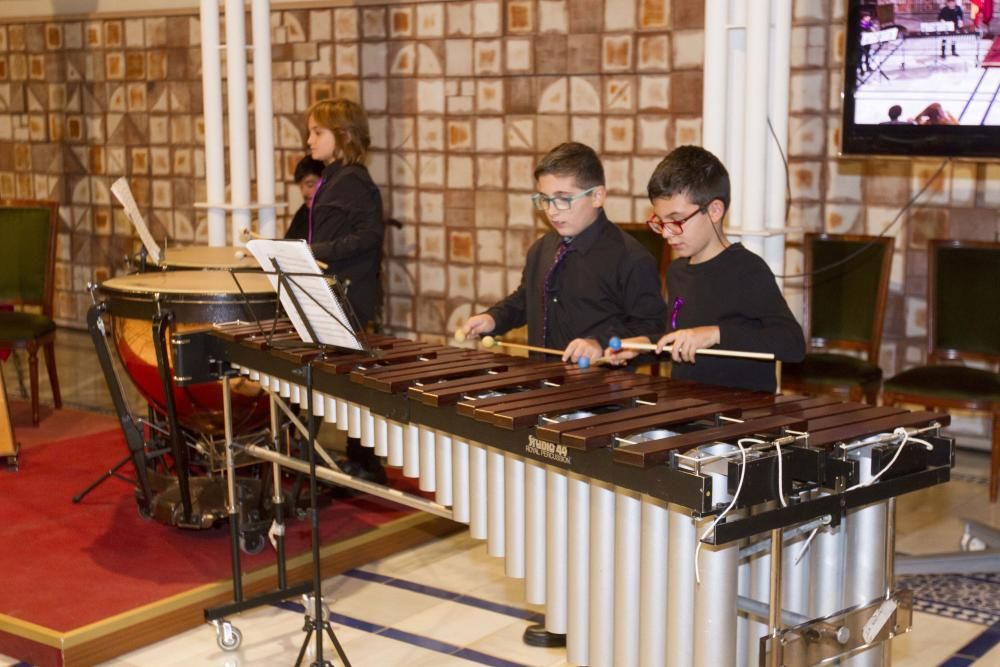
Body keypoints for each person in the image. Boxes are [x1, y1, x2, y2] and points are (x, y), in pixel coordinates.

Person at [606, 145, 805, 394]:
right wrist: (642, 347)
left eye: (676, 221)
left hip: (742, 416)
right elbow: (680, 341)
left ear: (714, 211)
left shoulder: (747, 269)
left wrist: (716, 334)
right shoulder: (677, 271)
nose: (667, 233)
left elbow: (792, 343)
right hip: (689, 407)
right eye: (661, 222)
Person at [459, 142, 666, 367]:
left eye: (563, 199)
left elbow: (651, 328)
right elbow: (527, 299)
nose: (552, 210)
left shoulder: (631, 258)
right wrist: (493, 318)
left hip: (602, 392)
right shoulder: (541, 250)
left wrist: (599, 343)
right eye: (545, 200)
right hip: (542, 382)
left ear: (597, 196)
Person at [305, 98, 386, 483]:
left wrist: (313, 252)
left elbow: (369, 236)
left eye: (317, 132)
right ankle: (353, 459)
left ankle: (363, 462)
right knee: (332, 380)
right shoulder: (335, 176)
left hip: (348, 297)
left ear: (344, 136)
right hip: (335, 293)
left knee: (337, 380)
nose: (309, 140)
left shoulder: (352, 179)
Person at [284, 155, 324, 241]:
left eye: (310, 185)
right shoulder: (302, 213)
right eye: (301, 187)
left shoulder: (334, 214)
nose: (304, 193)